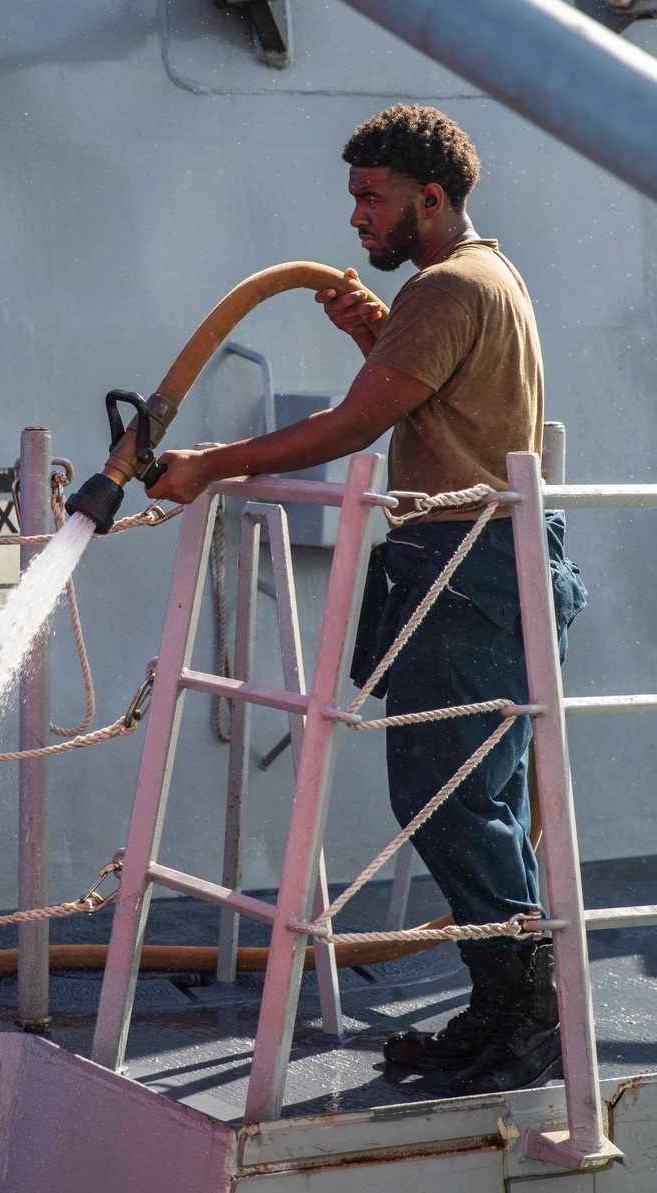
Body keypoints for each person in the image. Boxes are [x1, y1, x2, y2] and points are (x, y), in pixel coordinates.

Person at [144, 104, 586, 1093]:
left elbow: (355, 429)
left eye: (372, 198)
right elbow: (438, 400)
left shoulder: (443, 287)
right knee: (486, 800)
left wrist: (212, 463)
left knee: (448, 795)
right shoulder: (486, 277)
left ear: (431, 198)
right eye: (354, 198)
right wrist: (377, 335)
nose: (356, 219)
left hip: (463, 569)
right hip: (494, 560)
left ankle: (526, 1017)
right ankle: (508, 1013)